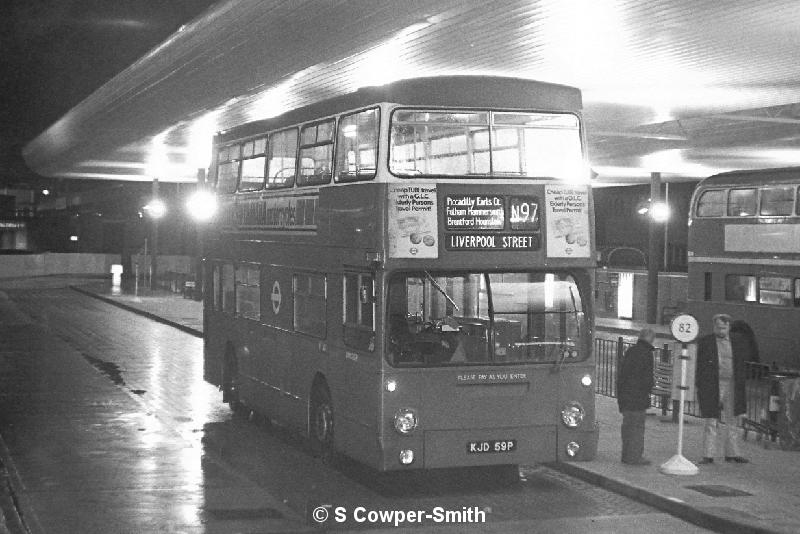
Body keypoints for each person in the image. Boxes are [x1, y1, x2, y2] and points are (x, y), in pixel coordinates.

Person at [695, 314, 757, 464]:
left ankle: (732, 453)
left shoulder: (737, 341)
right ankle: (708, 455)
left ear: (729, 327)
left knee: (733, 419)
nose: (720, 330)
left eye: (723, 327)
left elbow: (744, 360)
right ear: (713, 326)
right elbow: (700, 366)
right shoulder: (706, 342)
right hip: (713, 384)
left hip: (732, 384)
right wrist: (700, 384)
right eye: (717, 327)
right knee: (711, 419)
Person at [617, 328, 656, 465]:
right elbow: (646, 378)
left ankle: (626, 455)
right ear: (650, 338)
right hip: (638, 397)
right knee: (637, 428)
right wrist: (649, 387)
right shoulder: (646, 353)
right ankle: (635, 457)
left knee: (627, 428)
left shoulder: (631, 351)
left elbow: (622, 375)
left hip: (626, 396)